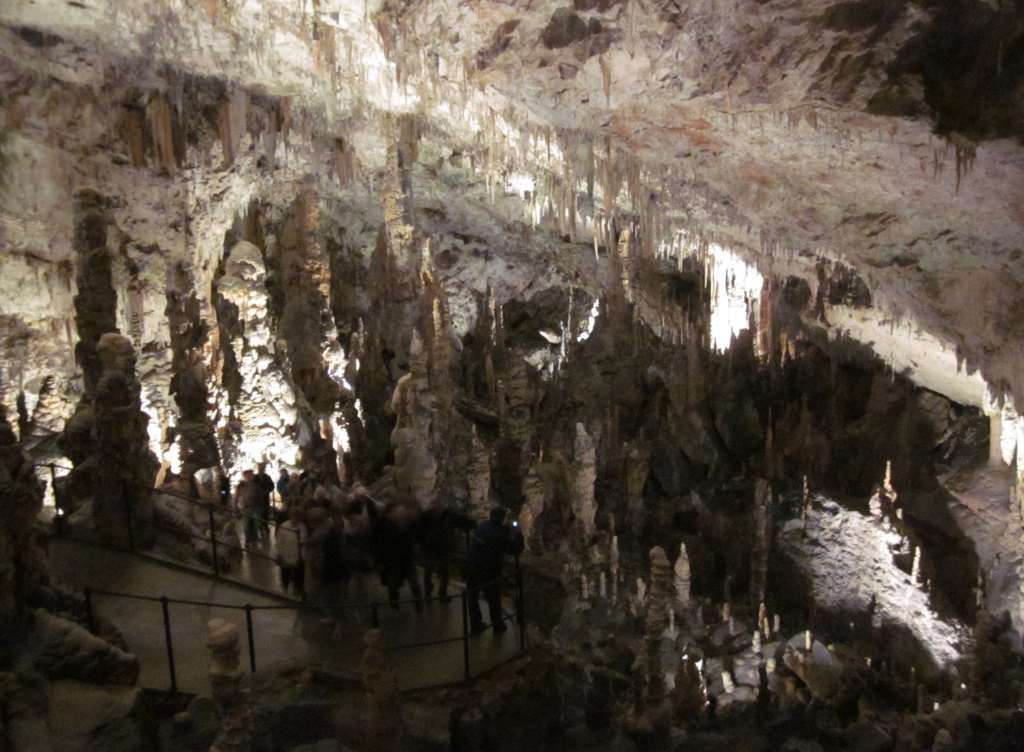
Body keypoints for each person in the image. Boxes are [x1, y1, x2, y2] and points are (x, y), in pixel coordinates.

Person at [465, 507, 523, 633]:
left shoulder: (483, 525)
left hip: (471, 567)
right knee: (493, 599)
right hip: (488, 571)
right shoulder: (500, 534)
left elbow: (493, 533)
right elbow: (515, 549)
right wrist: (518, 533)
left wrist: (506, 529)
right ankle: (498, 625)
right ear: (502, 519)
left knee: (472, 599)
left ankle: (475, 625)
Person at [368, 498, 424, 612]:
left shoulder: (409, 523)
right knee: (393, 584)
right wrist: (377, 559)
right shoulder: (382, 524)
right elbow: (375, 541)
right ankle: (395, 605)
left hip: (407, 556)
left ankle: (419, 606)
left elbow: (416, 534)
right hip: (392, 559)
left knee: (414, 583)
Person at [416, 504, 475, 604]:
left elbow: (419, 531)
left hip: (431, 548)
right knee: (442, 573)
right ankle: (440, 594)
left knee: (431, 571)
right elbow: (465, 522)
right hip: (439, 549)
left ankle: (430, 594)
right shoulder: (446, 517)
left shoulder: (427, 516)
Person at [277, 507, 307, 598]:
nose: (295, 518)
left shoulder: (302, 527)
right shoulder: (284, 526)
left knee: (299, 577)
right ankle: (285, 592)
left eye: (297, 516)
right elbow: (279, 541)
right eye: (294, 516)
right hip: (286, 555)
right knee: (285, 575)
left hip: (299, 557)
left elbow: (303, 540)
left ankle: (297, 593)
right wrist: (279, 554)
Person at [233, 469, 262, 547]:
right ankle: (248, 540)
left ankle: (254, 540)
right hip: (245, 508)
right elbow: (236, 497)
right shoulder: (240, 486)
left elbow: (260, 496)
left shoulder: (256, 485)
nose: (250, 477)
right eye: (248, 475)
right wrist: (236, 508)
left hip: (255, 507)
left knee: (256, 524)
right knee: (246, 525)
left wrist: (260, 507)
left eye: (251, 475)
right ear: (245, 476)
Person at [254, 462, 275, 538]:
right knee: (259, 513)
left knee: (265, 513)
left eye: (262, 468)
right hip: (257, 499)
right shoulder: (255, 477)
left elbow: (272, 485)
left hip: (265, 498)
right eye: (260, 468)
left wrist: (267, 490)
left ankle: (265, 527)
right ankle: (260, 528)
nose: (261, 469)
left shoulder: (267, 477)